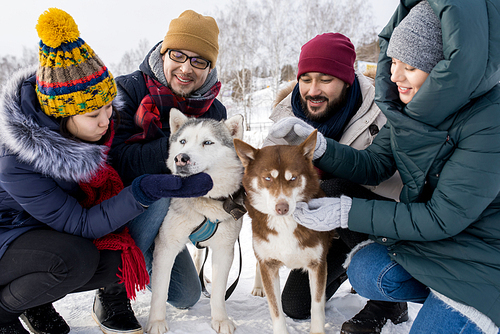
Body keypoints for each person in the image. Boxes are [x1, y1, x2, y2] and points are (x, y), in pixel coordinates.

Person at [267, 0, 500, 333]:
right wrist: (319, 146)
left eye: (411, 66)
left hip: (483, 263)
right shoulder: (412, 108)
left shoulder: (488, 121)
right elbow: (375, 163)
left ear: (445, 70)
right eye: (394, 61)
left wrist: (346, 212)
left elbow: (441, 216)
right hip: (436, 244)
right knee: (364, 268)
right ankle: (428, 294)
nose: (394, 75)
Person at [0, 8, 212, 334]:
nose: (106, 121)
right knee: (75, 258)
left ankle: (37, 296)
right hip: (10, 237)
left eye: (108, 109)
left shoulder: (94, 127)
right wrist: (146, 188)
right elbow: (82, 223)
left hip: (49, 230)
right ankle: (5, 309)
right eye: (93, 115)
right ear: (62, 116)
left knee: (114, 260)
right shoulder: (17, 160)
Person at [264, 32, 406, 332]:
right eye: (306, 79)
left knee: (332, 188)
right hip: (323, 227)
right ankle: (345, 268)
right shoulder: (287, 116)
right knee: (296, 306)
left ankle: (389, 301)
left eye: (326, 79)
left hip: (375, 217)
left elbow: (390, 179)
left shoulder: (381, 109)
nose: (313, 90)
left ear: (347, 80)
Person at [109, 9, 225, 311]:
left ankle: (147, 256)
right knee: (158, 189)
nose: (187, 68)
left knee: (187, 296)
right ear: (164, 53)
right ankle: (112, 288)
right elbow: (117, 160)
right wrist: (180, 144)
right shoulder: (127, 89)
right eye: (179, 55)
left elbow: (217, 170)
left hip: (176, 214)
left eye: (199, 60)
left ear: (209, 67)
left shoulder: (215, 112)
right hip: (122, 210)